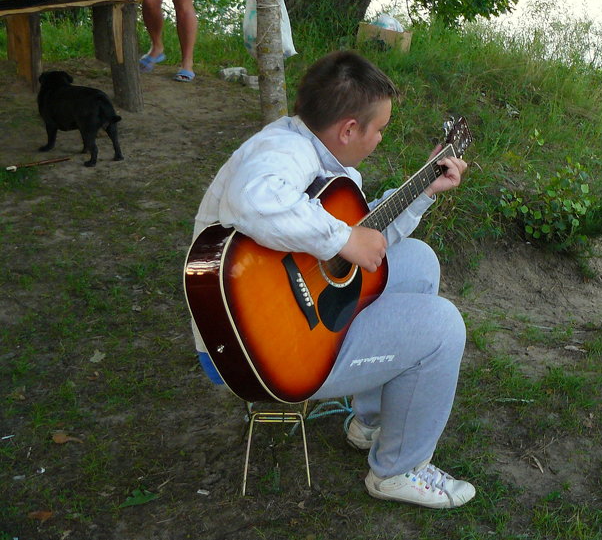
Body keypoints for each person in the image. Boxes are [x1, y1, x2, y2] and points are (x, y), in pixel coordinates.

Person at [190, 51, 475, 508]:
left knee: (418, 262)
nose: (381, 137)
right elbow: (256, 199)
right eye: (379, 128)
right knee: (443, 328)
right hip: (261, 351)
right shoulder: (282, 151)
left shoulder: (321, 157)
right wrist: (341, 239)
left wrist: (422, 191)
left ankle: (373, 422)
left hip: (289, 322)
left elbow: (368, 239)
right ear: (348, 129)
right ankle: (398, 471)